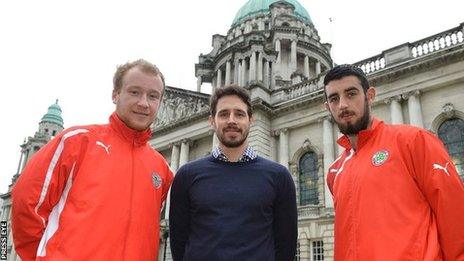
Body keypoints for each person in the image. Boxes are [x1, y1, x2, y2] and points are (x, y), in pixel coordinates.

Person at [12, 59, 173, 260]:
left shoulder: (161, 168)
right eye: (134, 92)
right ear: (115, 94)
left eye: (153, 96)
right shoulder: (76, 141)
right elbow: (26, 205)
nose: (143, 103)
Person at [324, 64, 464, 260]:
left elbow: (456, 219)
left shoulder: (414, 140)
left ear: (370, 95)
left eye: (351, 94)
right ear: (327, 107)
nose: (343, 105)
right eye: (334, 99)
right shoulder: (335, 171)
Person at [169, 85, 297, 261]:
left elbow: (285, 244)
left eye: (239, 114)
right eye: (223, 114)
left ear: (251, 120)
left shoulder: (279, 176)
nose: (231, 120)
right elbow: (179, 241)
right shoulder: (186, 176)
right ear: (212, 121)